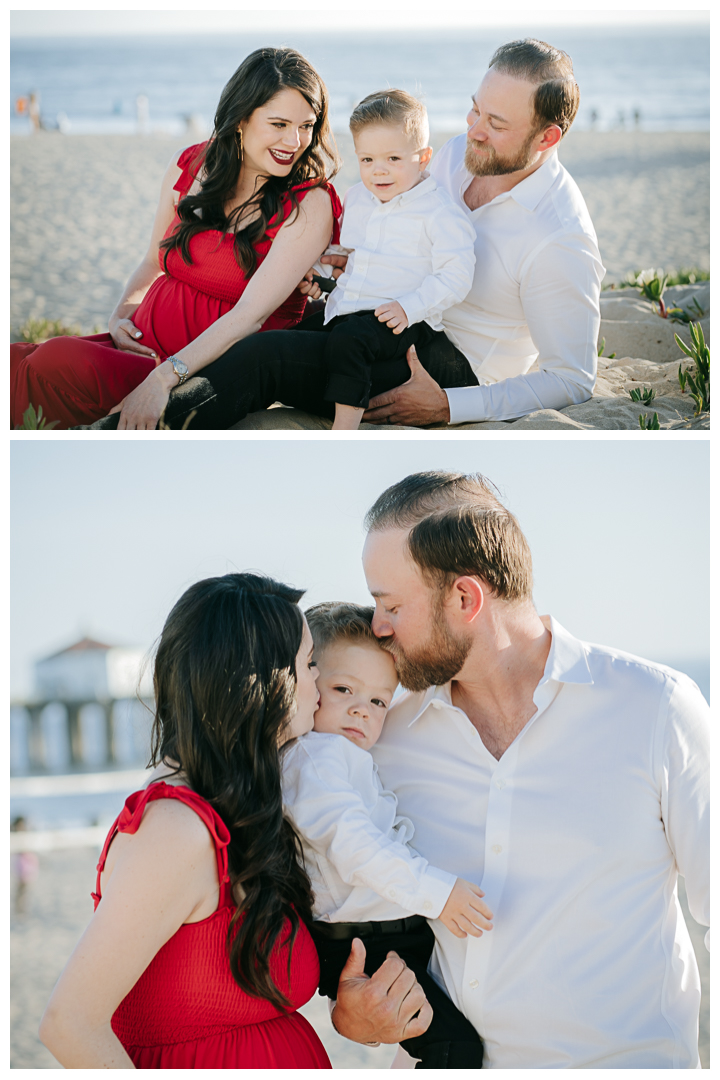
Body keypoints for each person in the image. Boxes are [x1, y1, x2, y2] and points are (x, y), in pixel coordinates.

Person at [330, 471, 709, 1068]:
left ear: (464, 600)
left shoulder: (658, 708)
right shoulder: (382, 741)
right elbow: (339, 892)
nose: (378, 627)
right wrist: (350, 1010)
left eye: (391, 606)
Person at [125, 36, 602, 431]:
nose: (473, 130)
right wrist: (341, 263)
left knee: (264, 357)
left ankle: (140, 433)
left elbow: (573, 378)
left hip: (447, 368)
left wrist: (451, 406)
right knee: (284, 321)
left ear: (547, 138)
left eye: (495, 124)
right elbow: (402, 225)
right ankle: (151, 400)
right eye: (475, 110)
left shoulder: (560, 237)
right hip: (388, 319)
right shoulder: (456, 155)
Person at [39, 572, 333, 1069]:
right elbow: (69, 1024)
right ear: (264, 683)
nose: (320, 682)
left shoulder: (238, 812)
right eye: (308, 664)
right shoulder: (176, 831)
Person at [10, 47, 341, 429]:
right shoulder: (192, 163)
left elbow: (252, 316)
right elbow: (153, 260)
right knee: (20, 360)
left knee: (56, 359)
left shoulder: (309, 203)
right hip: (139, 348)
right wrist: (120, 315)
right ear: (240, 119)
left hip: (203, 371)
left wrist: (163, 378)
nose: (295, 141)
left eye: (307, 126)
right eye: (279, 124)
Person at [283, 602, 488, 1068]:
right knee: (455, 1050)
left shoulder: (337, 755)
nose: (362, 709)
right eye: (343, 689)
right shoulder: (317, 760)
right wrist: (441, 894)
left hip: (383, 935)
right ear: (307, 682)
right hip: (364, 943)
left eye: (378, 700)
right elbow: (356, 848)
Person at [296, 90, 475, 430]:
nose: (379, 171)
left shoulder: (439, 213)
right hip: (354, 308)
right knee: (302, 335)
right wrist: (323, 277)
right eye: (367, 160)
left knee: (350, 341)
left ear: (423, 158)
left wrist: (410, 306)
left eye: (393, 159)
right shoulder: (358, 198)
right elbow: (351, 258)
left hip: (405, 318)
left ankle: (345, 427)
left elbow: (457, 276)